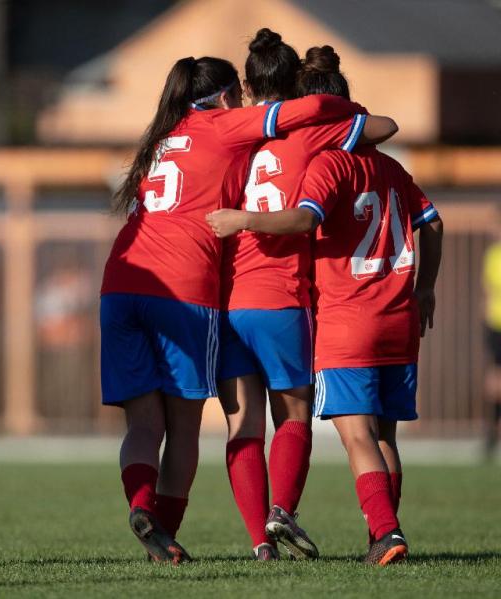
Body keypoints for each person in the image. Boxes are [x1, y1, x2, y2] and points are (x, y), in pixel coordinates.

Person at [101, 54, 366, 563]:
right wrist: (345, 100)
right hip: (181, 289)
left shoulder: (162, 137)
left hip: (120, 283)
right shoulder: (224, 123)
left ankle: (144, 510)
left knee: (141, 425)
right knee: (182, 427)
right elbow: (301, 111)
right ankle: (168, 530)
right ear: (226, 96)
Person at [206, 45, 443, 565]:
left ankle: (279, 538)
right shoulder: (367, 161)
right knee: (372, 432)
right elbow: (430, 215)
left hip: (277, 304)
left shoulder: (237, 135)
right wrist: (425, 287)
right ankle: (363, 527)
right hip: (378, 312)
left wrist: (239, 220)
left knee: (255, 425)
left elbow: (305, 218)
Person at [483, 233, 501, 459]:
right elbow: (487, 291)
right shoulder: (493, 255)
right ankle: (492, 431)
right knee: (495, 379)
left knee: (495, 378)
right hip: (495, 323)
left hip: (493, 322)